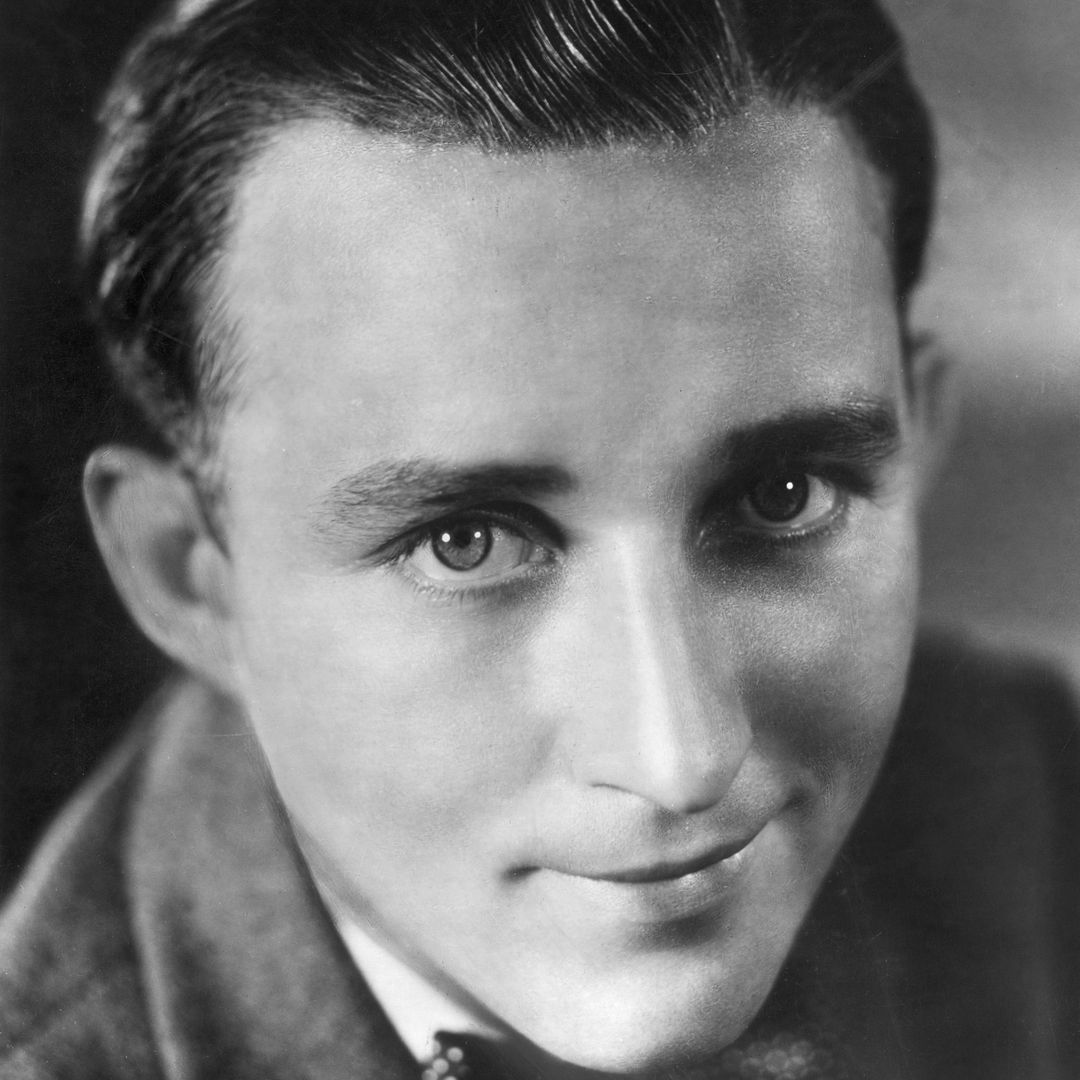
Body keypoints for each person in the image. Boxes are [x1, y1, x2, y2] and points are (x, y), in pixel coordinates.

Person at [1, 0, 1077, 1077]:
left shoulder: (1036, 800)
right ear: (192, 581)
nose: (680, 762)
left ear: (919, 445)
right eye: (464, 541)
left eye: (783, 496)